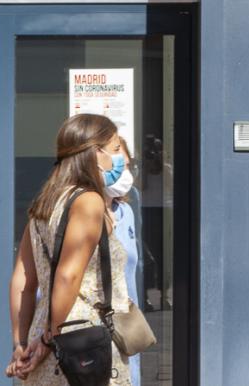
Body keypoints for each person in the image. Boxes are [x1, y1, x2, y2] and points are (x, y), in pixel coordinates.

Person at [5, 114, 131, 385]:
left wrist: (22, 341)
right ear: (96, 154)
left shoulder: (44, 204)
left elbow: (22, 282)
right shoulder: (88, 202)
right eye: (116, 148)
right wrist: (48, 340)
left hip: (46, 334)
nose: (122, 158)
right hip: (82, 343)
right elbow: (67, 276)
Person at [108, 137, 142, 386]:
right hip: (92, 333)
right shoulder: (79, 212)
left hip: (126, 327)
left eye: (129, 167)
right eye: (121, 168)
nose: (126, 174)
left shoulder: (126, 211)